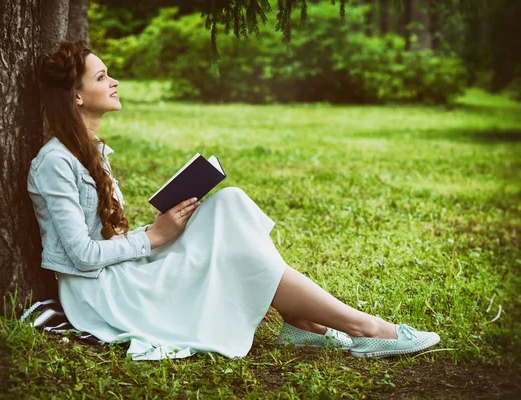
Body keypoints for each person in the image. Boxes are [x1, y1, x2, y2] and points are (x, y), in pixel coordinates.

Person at [27, 41, 440, 361]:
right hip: (105, 295)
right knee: (235, 249)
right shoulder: (55, 163)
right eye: (101, 77)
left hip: (124, 267)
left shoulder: (91, 151)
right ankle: (365, 329)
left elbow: (107, 236)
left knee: (230, 203)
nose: (113, 82)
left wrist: (162, 226)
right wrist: (154, 237)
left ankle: (304, 323)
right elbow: (81, 255)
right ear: (76, 96)